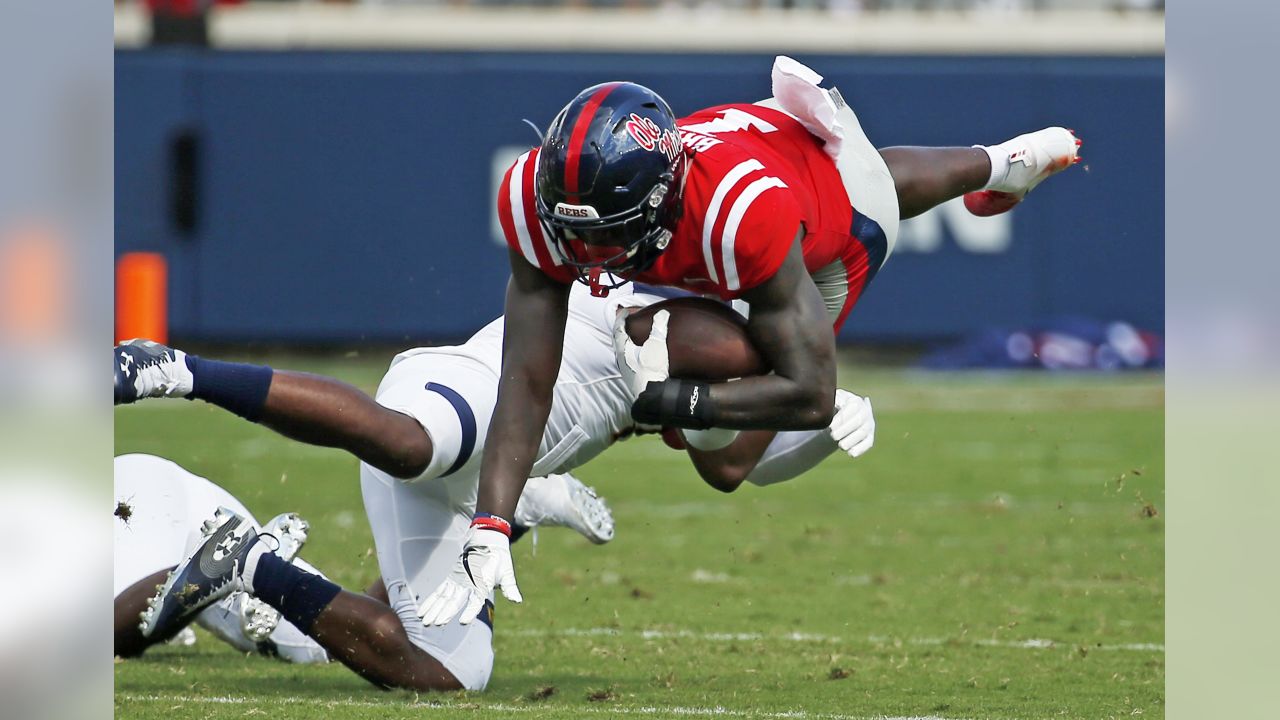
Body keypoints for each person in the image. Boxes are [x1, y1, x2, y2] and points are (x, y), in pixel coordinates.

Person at [420, 55, 1082, 625]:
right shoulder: (538, 201)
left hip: (831, 228)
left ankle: (1000, 165)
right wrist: (489, 527)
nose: (591, 254)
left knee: (730, 464)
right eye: (580, 234)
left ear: (664, 194)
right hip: (777, 144)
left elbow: (810, 392)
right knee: (860, 173)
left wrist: (665, 406)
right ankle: (1002, 163)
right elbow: (527, 378)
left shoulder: (739, 215)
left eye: (611, 232)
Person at [113, 283, 877, 691]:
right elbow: (696, 407)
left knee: (440, 667)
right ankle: (177, 370)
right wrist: (808, 398)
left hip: (496, 467)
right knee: (415, 446)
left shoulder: (731, 353)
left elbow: (728, 464)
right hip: (472, 403)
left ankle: (249, 563)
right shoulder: (699, 329)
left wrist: (817, 418)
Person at [113, 453, 328, 664]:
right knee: (329, 623)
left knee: (332, 636)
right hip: (158, 482)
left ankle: (224, 565)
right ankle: (238, 561)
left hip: (137, 498)